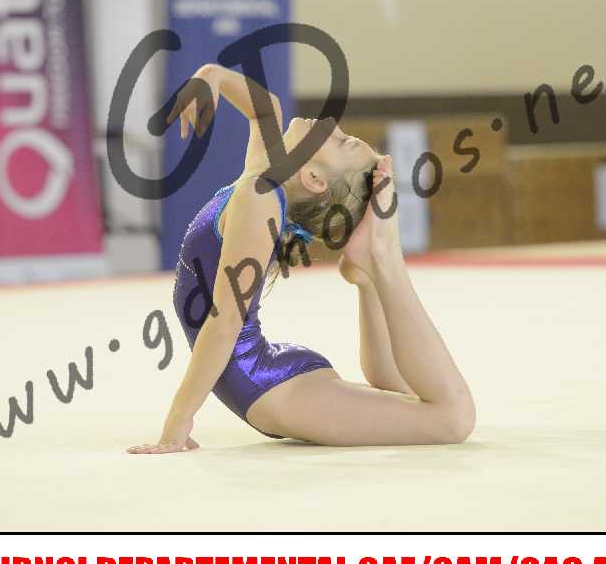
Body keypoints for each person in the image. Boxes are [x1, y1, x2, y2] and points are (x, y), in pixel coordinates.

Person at [128, 63, 475, 453]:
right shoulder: (264, 179)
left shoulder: (260, 197)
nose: (329, 124)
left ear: (313, 178)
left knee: (452, 419)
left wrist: (178, 423)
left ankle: (382, 256)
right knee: (416, 402)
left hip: (268, 388)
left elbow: (224, 324)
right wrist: (212, 75)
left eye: (340, 141)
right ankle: (369, 268)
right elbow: (266, 108)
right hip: (273, 375)